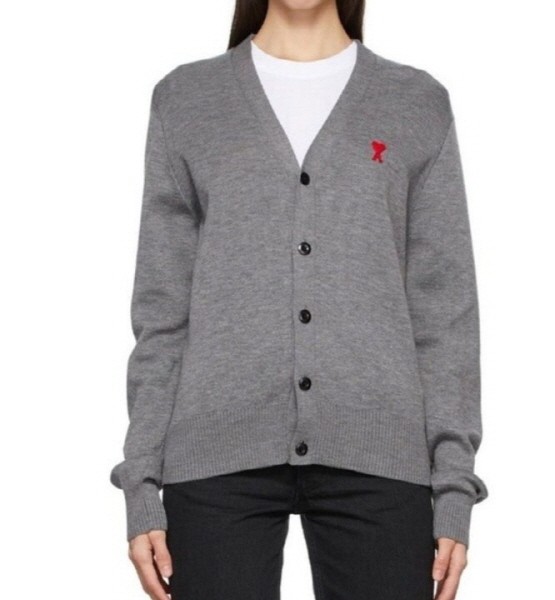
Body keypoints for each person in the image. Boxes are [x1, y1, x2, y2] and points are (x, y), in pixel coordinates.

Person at [109, 1, 489, 599]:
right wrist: (141, 485)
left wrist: (454, 488)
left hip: (381, 450)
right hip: (214, 451)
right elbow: (162, 311)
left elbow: (444, 312)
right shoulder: (186, 99)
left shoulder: (415, 102)